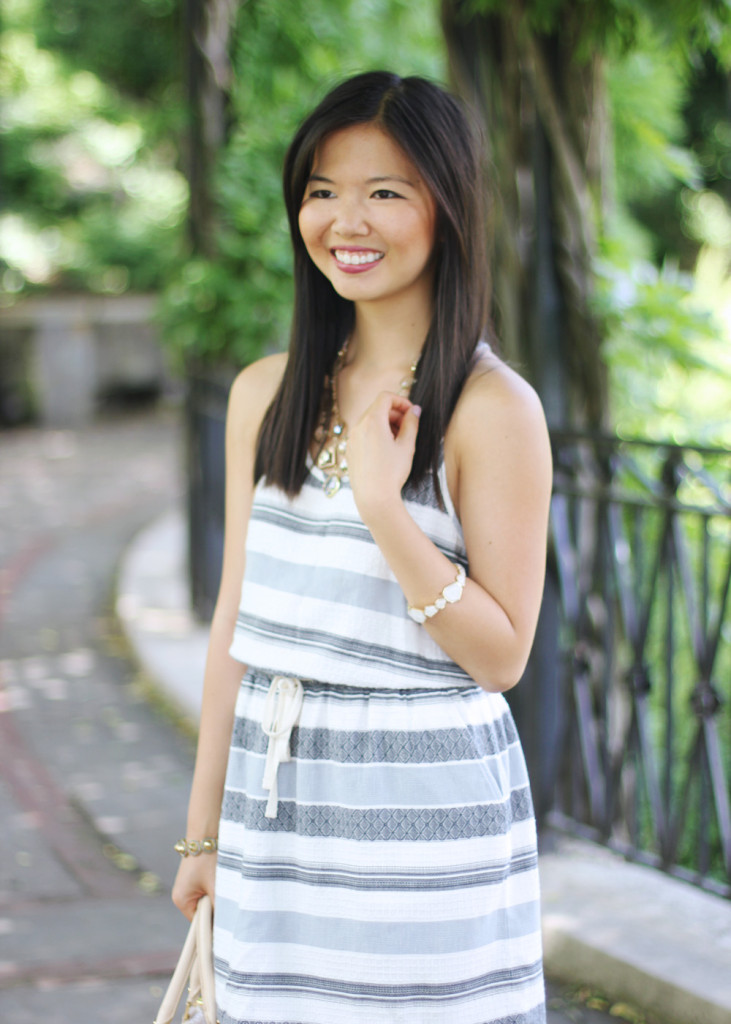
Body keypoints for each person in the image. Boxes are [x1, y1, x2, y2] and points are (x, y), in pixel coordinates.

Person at [172, 70, 552, 1024]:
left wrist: (386, 507)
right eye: (322, 191)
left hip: (421, 829)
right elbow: (235, 622)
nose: (348, 219)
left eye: (385, 191)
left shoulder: (492, 409)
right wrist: (199, 835)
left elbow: (502, 656)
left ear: (447, 206)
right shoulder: (265, 392)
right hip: (275, 812)